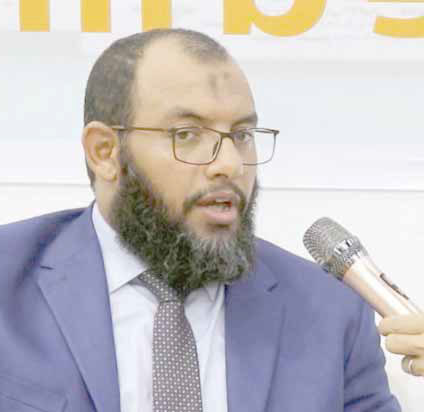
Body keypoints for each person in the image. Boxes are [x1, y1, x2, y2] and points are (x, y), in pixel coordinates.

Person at [0, 29, 401, 412]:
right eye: (187, 134)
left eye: (242, 135)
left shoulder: (329, 312)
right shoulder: (8, 281)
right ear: (104, 151)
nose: (230, 164)